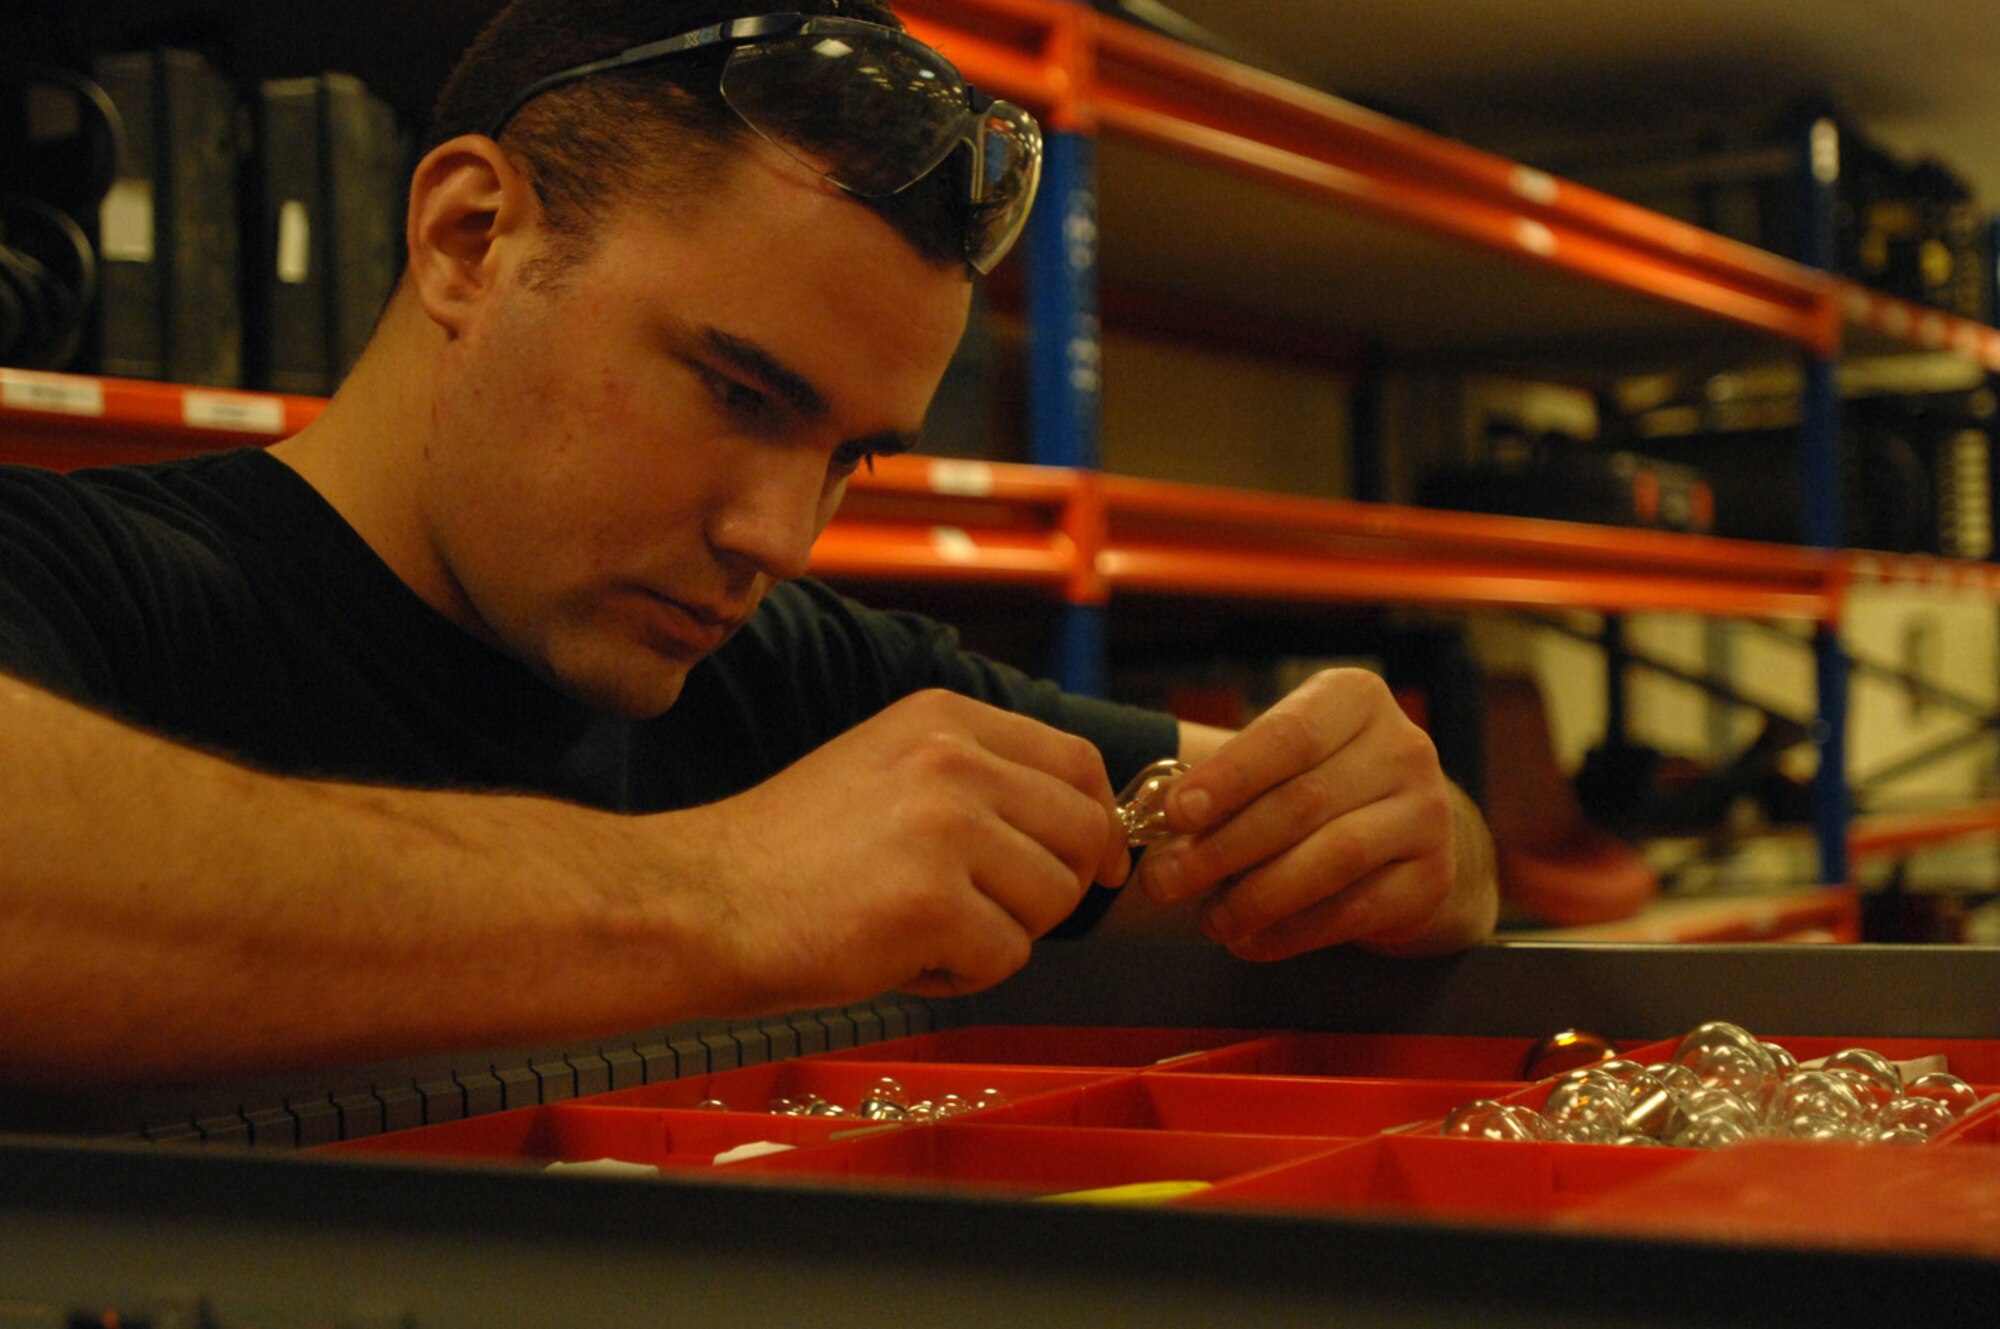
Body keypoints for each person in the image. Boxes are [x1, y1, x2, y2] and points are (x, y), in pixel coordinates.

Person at [0, 0, 1496, 1090]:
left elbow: (1280, 843)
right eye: (734, 391)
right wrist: (727, 896)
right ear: (470, 239)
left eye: (848, 452)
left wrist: (1409, 835)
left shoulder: (801, 684)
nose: (778, 535)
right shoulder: (79, 575)